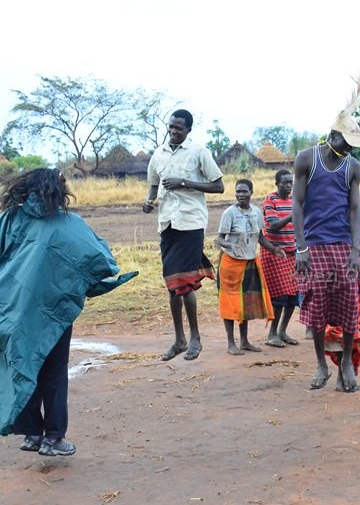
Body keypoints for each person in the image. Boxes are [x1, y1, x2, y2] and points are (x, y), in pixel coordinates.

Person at [0, 169, 136, 456]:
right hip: (52, 315)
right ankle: (53, 438)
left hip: (10, 311)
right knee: (54, 373)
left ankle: (32, 433)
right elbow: (100, 259)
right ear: (58, 192)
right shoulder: (70, 224)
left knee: (23, 366)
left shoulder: (10, 219)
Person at [293, 77, 360, 392]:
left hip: (342, 245)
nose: (348, 148)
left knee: (349, 303)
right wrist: (301, 247)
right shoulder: (306, 159)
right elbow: (296, 203)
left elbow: (354, 210)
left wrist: (355, 248)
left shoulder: (354, 167)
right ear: (333, 134)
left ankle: (346, 361)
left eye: (352, 144)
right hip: (314, 246)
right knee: (317, 306)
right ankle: (322, 364)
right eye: (345, 141)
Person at [143, 109, 224, 361]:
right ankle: (178, 339)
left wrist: (184, 182)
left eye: (179, 128)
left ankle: (195, 339)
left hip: (190, 224)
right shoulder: (159, 153)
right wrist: (149, 201)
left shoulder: (199, 152)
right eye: (171, 127)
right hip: (167, 224)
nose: (174, 131)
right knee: (171, 285)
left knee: (186, 284)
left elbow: (218, 186)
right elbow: (153, 183)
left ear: (188, 129)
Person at [217, 179, 282, 354]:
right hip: (231, 264)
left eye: (244, 191)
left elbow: (260, 237)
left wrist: (275, 250)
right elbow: (220, 239)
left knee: (246, 303)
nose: (240, 195)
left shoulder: (256, 212)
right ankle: (231, 343)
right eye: (238, 192)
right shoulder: (229, 213)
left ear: (251, 192)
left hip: (250, 262)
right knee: (230, 304)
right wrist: (230, 245)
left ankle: (244, 341)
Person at [325, 237, 360, 390]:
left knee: (357, 339)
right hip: (338, 299)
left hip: (359, 300)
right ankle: (341, 378)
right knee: (338, 337)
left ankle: (344, 377)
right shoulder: (336, 245)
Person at [260, 169, 300, 347]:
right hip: (274, 252)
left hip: (291, 251)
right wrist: (294, 214)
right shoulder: (271, 200)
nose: (289, 185)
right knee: (280, 296)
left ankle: (282, 331)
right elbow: (273, 226)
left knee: (293, 296)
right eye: (285, 182)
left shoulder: (293, 200)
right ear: (277, 184)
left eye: (291, 182)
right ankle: (272, 334)